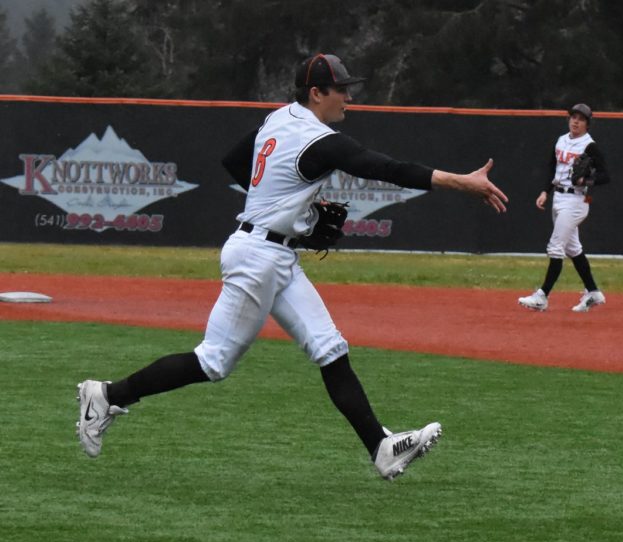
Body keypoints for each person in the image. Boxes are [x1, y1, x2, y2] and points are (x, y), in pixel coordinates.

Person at [76, 53, 508, 481]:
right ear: (316, 93)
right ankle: (107, 394)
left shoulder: (278, 118)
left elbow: (233, 160)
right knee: (213, 362)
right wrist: (461, 182)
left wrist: (279, 205)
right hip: (258, 257)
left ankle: (381, 447)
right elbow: (386, 168)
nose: (348, 99)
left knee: (330, 348)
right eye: (341, 90)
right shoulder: (319, 140)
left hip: (274, 253)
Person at [518, 103, 610, 312]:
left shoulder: (589, 146)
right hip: (558, 198)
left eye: (581, 118)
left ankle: (542, 296)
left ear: (587, 124)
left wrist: (586, 181)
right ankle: (594, 293)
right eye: (573, 117)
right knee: (572, 248)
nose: (575, 121)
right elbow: (554, 168)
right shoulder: (561, 140)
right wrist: (545, 191)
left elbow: (605, 175)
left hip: (576, 202)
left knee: (555, 247)